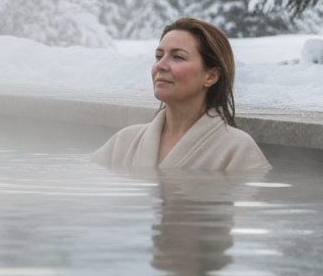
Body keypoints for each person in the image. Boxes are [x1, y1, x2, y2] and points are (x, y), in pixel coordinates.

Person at [92, 17, 271, 172]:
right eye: (158, 56)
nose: (160, 65)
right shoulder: (124, 142)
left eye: (178, 57)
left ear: (210, 76)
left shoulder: (237, 151)